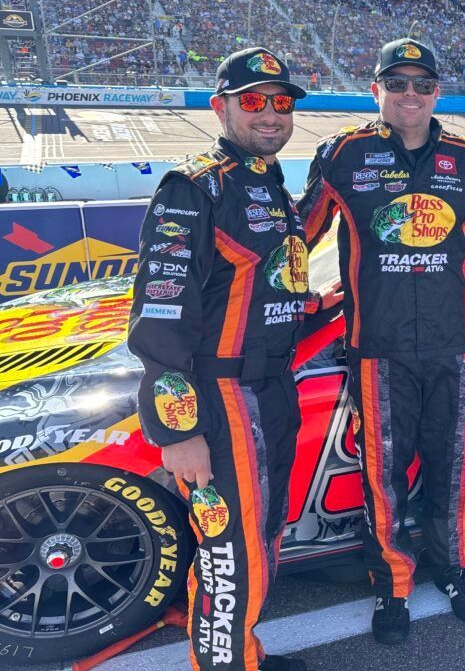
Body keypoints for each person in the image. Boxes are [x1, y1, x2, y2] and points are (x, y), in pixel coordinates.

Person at [298, 38, 465, 644]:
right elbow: (297, 242)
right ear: (377, 91)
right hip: (378, 350)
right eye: (397, 84)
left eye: (421, 84)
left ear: (437, 92)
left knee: (451, 469)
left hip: (455, 349)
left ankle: (455, 569)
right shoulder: (343, 154)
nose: (410, 94)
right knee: (383, 474)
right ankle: (392, 583)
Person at [128, 47, 309, 671]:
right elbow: (160, 316)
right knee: (231, 549)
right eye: (253, 101)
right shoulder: (196, 185)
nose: (270, 115)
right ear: (221, 106)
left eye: (281, 102)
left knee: (259, 537)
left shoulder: (267, 179)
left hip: (272, 390)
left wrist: (311, 303)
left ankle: (241, 652)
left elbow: (253, 287)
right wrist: (177, 431)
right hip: (223, 399)